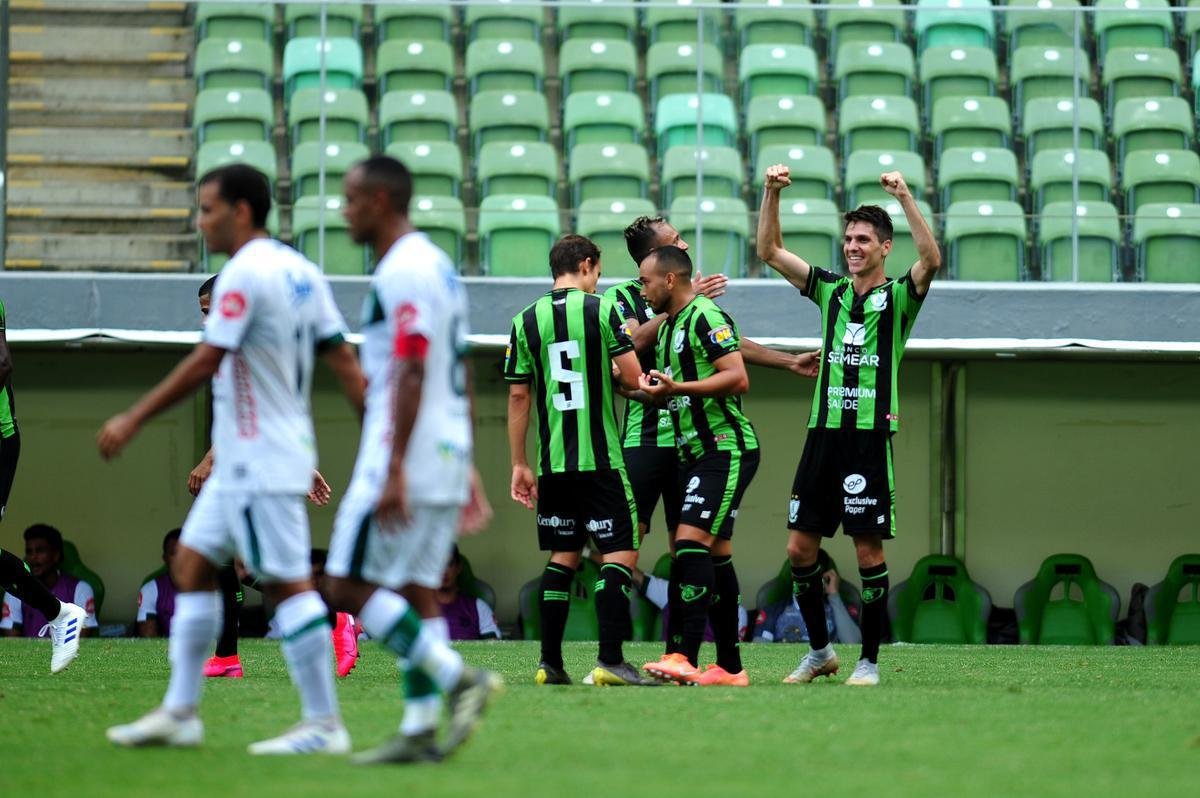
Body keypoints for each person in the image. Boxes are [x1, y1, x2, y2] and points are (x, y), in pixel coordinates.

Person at [98, 163, 366, 754]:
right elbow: (343, 362)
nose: (200, 221)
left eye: (207, 209)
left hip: (262, 458)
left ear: (241, 211)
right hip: (261, 452)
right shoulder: (301, 272)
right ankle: (181, 711)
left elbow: (206, 362)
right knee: (192, 566)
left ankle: (324, 722)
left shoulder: (243, 275)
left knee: (287, 588)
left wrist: (134, 416)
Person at [324, 155, 500, 765]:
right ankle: (420, 728)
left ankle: (457, 680)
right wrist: (469, 459)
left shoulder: (403, 269)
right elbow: (463, 363)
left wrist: (395, 464)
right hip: (445, 448)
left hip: (405, 450)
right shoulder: (440, 267)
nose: (343, 211)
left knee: (344, 582)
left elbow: (415, 363)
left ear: (378, 200)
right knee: (418, 592)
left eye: (349, 199)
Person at [757, 166, 941, 687]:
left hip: (866, 439)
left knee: (867, 552)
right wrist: (772, 192)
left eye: (863, 240)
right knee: (799, 549)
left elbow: (932, 260)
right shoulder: (831, 293)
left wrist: (904, 196)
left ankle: (869, 662)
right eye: (847, 239)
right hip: (823, 435)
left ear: (885, 247)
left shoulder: (901, 297)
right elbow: (769, 251)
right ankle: (820, 653)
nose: (852, 247)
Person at [605, 217, 818, 657]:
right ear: (655, 259)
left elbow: (723, 344)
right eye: (675, 240)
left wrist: (785, 361)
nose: (685, 243)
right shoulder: (626, 296)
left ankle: (687, 655)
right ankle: (612, 656)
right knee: (627, 542)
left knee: (696, 547)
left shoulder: (689, 302)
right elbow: (625, 346)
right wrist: (679, 303)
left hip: (696, 441)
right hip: (647, 438)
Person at [505, 233, 651, 688]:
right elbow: (633, 379)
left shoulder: (524, 320)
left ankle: (550, 663)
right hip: (602, 460)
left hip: (553, 465)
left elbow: (517, 395)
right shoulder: (604, 309)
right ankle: (610, 659)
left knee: (562, 557)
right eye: (599, 271)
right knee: (619, 556)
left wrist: (519, 463)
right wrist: (611, 372)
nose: (599, 279)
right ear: (586, 265)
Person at [189, 277, 354, 679]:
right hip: (250, 461)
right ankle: (226, 656)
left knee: (240, 566)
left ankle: (338, 618)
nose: (208, 319)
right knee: (224, 563)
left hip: (255, 465)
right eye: (203, 313)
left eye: (213, 310)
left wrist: (209, 460)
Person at [634, 245, 760, 687]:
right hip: (698, 455)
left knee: (688, 543)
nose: (642, 289)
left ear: (670, 280)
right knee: (717, 557)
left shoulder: (706, 316)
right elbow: (674, 391)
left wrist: (677, 386)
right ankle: (730, 666)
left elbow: (737, 376)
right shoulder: (669, 328)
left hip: (725, 448)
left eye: (646, 281)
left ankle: (684, 654)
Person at [1, 524, 94, 671]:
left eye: (40, 551)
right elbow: (12, 641)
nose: (33, 557)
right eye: (29, 551)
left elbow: (83, 638)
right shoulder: (15, 591)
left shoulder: (79, 588)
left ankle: (62, 614)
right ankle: (60, 613)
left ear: (56, 555)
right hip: (29, 660)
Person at [752, 551, 862, 648]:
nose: (807, 579)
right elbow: (759, 650)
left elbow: (853, 644)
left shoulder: (841, 610)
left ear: (826, 578)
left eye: (814, 574)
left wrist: (834, 595)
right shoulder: (773, 611)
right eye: (802, 572)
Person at [437, 546, 500, 641]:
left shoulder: (478, 607)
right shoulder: (416, 609)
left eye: (449, 564)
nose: (444, 571)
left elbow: (494, 649)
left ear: (458, 567)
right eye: (437, 565)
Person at [137, 528, 183, 638]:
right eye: (174, 553)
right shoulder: (151, 590)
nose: (181, 559)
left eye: (187, 553)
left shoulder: (215, 589)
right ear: (165, 558)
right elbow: (149, 643)